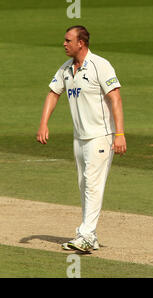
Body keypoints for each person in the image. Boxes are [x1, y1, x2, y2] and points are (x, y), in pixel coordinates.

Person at [36, 25, 126, 252]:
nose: (64, 44)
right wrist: (43, 123)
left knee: (93, 186)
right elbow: (53, 93)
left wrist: (119, 134)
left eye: (68, 40)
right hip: (80, 137)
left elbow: (115, 98)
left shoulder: (100, 65)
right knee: (84, 184)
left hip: (101, 136)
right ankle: (90, 235)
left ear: (81, 43)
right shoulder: (66, 69)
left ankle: (85, 235)